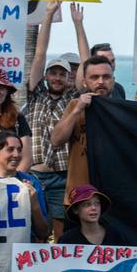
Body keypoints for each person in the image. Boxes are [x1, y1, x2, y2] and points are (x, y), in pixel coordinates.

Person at [24, 1, 89, 237]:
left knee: (61, 232)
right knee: (36, 229)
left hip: (62, 175)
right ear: (47, 75)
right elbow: (40, 54)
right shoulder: (35, 95)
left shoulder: (73, 98)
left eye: (63, 73)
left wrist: (78, 25)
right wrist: (48, 15)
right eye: (53, 72)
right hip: (35, 173)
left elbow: (86, 64)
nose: (58, 77)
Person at [49, 55, 116, 206]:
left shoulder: (123, 109)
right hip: (78, 195)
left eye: (106, 77)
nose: (100, 81)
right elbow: (56, 140)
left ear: (113, 79)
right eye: (94, 77)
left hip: (113, 194)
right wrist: (77, 110)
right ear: (85, 81)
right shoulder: (74, 105)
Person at [0, 130, 49, 241]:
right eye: (10, 149)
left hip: (22, 251)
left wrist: (34, 205)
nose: (16, 155)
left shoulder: (32, 182)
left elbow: (43, 233)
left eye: (19, 150)